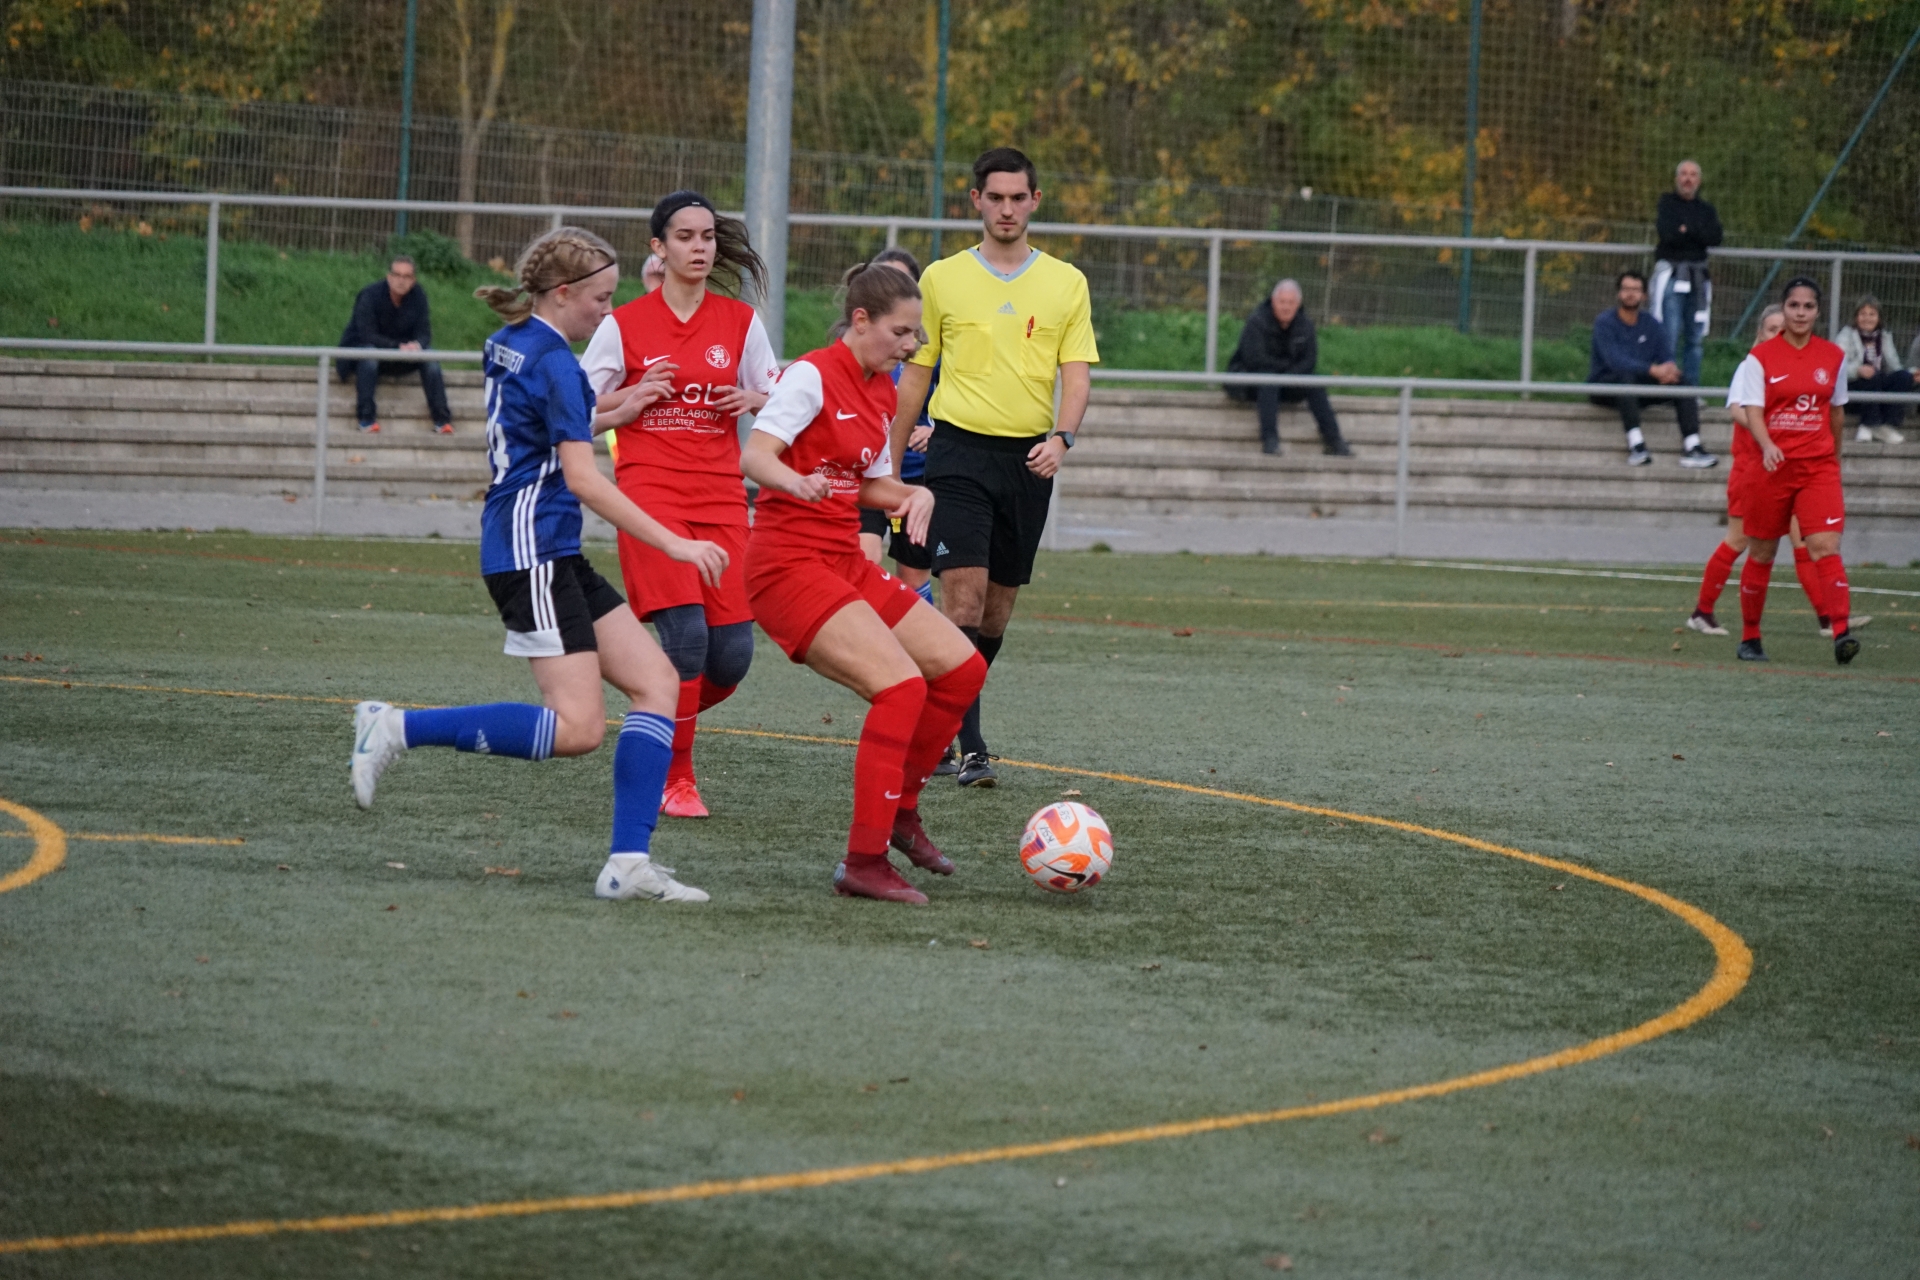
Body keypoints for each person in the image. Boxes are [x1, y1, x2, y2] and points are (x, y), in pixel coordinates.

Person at [347, 227, 726, 904]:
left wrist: (620, 405)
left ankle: (628, 865)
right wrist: (675, 542)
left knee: (658, 682)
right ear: (563, 294)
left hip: (546, 546)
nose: (609, 312)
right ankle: (395, 726)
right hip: (531, 550)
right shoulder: (554, 361)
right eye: (601, 299)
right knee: (578, 728)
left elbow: (555, 417)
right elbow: (582, 476)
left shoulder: (518, 340)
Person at [741, 261, 989, 904]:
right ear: (860, 321)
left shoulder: (882, 389)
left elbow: (868, 483)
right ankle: (864, 861)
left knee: (961, 670)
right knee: (901, 688)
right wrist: (793, 482)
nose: (912, 346)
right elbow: (755, 456)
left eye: (917, 336)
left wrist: (912, 493)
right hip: (786, 566)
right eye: (902, 333)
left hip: (841, 562)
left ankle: (901, 810)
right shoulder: (810, 376)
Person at [890, 146, 1099, 789]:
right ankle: (969, 745)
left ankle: (946, 710)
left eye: (1018, 197)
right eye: (995, 197)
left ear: (1036, 201)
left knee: (996, 615)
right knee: (964, 600)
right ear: (974, 201)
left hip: (1028, 462)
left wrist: (1063, 437)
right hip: (957, 454)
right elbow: (915, 376)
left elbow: (1076, 374)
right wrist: (890, 467)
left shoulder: (1066, 283)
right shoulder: (942, 278)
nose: (1006, 208)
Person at [579, 191, 779, 820]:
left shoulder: (740, 323)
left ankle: (654, 716)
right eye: (685, 237)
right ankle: (677, 777)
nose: (700, 247)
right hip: (651, 495)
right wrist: (631, 399)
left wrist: (755, 399)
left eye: (708, 237)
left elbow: (781, 393)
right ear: (658, 249)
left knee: (733, 657)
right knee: (687, 640)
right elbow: (573, 414)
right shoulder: (624, 325)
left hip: (720, 498)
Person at [1725, 277, 1860, 666]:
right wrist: (1768, 445)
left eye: (1808, 306)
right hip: (1771, 469)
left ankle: (1841, 633)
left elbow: (1836, 411)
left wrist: (1833, 459)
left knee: (1825, 547)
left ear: (1818, 312)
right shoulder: (1760, 358)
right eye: (1794, 306)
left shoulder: (1832, 357)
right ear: (1783, 310)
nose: (1801, 313)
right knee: (1762, 551)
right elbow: (1752, 410)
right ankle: (1750, 637)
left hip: (1817, 468)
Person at [1588, 270, 1715, 467]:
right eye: (1626, 289)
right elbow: (1614, 361)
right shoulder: (1605, 322)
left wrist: (1669, 370)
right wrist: (1652, 370)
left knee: (1683, 382)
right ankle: (1637, 445)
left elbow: (1665, 355)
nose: (1630, 294)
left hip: (1641, 387)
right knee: (1625, 378)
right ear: (1618, 293)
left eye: (1636, 290)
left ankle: (1693, 446)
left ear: (1644, 295)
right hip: (1607, 387)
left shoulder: (1651, 324)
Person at [1225, 278, 1353, 456]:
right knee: (1268, 379)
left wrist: (1289, 374)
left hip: (1289, 380)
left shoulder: (1305, 325)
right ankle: (1270, 440)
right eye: (1282, 302)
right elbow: (1254, 359)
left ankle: (1334, 440)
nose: (1286, 307)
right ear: (1273, 301)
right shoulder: (1256, 321)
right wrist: (1285, 369)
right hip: (1253, 383)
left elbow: (1309, 361)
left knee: (1314, 383)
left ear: (1297, 304)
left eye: (1290, 303)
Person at [336, 254, 455, 435]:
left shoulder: (418, 296)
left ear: (413, 280)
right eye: (397, 275)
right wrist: (397, 347)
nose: (401, 281)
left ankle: (442, 420)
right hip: (363, 353)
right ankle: (366, 419)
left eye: (406, 276)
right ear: (388, 276)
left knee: (430, 358)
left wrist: (416, 345)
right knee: (369, 356)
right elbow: (366, 334)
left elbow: (425, 332)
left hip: (400, 356)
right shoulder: (370, 295)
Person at [1650, 159, 1722, 388]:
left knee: (1694, 339)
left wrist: (1686, 229)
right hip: (1672, 276)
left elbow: (1715, 237)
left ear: (1698, 181)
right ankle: (1667, 389)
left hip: (1698, 279)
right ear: (1676, 179)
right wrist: (1695, 232)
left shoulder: (1706, 209)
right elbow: (1667, 234)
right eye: (1683, 174)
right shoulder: (1667, 203)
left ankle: (1690, 391)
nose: (1688, 179)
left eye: (1692, 175)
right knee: (1668, 335)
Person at [1837, 295, 1910, 443]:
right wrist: (1857, 370)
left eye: (1872, 314)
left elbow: (1895, 366)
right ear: (1856, 317)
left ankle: (1886, 425)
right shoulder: (1846, 335)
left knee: (1903, 377)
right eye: (1863, 314)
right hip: (1854, 388)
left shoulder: (1884, 337)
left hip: (1876, 384)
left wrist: (1912, 373)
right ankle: (1871, 423)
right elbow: (1837, 366)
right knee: (1872, 375)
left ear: (1879, 318)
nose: (1867, 318)